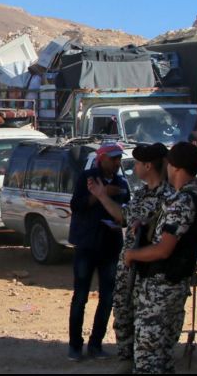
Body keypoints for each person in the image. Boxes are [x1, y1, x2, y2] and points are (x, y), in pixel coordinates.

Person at [88, 143, 174, 371]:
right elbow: (125, 217)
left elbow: (129, 220)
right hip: (129, 267)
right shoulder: (142, 192)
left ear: (148, 165)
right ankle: (126, 360)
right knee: (123, 312)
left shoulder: (167, 196)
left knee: (148, 327)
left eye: (137, 163)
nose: (133, 167)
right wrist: (101, 196)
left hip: (151, 273)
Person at [126, 142, 197, 374]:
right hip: (174, 283)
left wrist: (133, 254)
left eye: (169, 165)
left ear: (177, 167)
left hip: (162, 287)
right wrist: (147, 225)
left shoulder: (183, 200)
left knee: (148, 355)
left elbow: (164, 249)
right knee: (163, 355)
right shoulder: (195, 196)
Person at [67, 143, 130, 362]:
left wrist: (111, 195)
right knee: (80, 297)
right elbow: (77, 205)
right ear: (101, 159)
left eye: (118, 159)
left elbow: (126, 210)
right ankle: (75, 346)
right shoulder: (88, 178)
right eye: (113, 158)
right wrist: (98, 195)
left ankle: (96, 344)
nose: (116, 162)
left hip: (110, 246)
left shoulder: (122, 183)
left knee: (107, 298)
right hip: (86, 245)